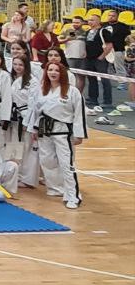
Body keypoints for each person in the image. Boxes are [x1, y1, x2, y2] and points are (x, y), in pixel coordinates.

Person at [26, 62, 86, 209]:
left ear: (62, 73)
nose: (53, 73)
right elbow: (35, 111)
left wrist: (79, 134)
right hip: (44, 131)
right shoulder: (42, 90)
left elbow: (79, 113)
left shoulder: (72, 91)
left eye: (56, 70)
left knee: (66, 164)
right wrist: (33, 129)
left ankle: (73, 196)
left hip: (62, 132)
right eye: (50, 70)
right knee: (47, 161)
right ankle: (57, 188)